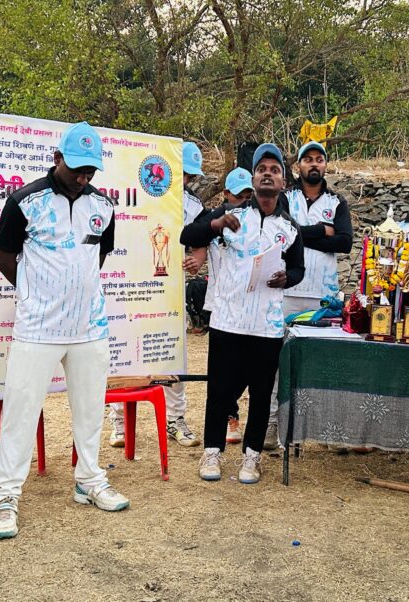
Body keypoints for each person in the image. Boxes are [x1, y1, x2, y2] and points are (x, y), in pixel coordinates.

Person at [0, 122, 129, 540]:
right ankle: (6, 497)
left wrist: (76, 295)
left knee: (89, 409)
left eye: (90, 171)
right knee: (20, 413)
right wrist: (37, 295)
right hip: (37, 328)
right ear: (57, 159)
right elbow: (3, 258)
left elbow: (97, 256)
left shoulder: (102, 205)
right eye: (76, 169)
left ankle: (88, 479)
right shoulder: (23, 202)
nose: (83, 177)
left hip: (89, 327)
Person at [181, 143, 304, 484]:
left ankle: (251, 457)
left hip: (266, 324)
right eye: (262, 168)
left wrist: (286, 278)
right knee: (220, 390)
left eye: (275, 169)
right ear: (253, 179)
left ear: (282, 184)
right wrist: (215, 225)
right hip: (228, 320)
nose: (268, 172)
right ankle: (212, 452)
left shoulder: (290, 228)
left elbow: (298, 270)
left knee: (262, 392)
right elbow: (187, 235)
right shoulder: (232, 215)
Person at [108, 141, 205, 449]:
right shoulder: (132, 193)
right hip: (129, 286)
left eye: (190, 177)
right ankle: (119, 422)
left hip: (168, 291)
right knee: (123, 352)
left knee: (173, 356)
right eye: (183, 174)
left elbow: (200, 243)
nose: (186, 181)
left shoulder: (194, 207)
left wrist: (196, 258)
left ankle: (176, 419)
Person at [267, 141, 353, 449]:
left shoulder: (336, 201)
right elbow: (282, 234)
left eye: (319, 159)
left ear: (325, 166)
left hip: (323, 296)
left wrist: (303, 234)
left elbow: (344, 243)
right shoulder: (285, 197)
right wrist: (321, 230)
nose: (314, 164)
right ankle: (272, 422)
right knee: (277, 361)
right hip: (287, 290)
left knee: (321, 364)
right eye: (308, 159)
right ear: (299, 165)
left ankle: (324, 429)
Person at [181, 167, 255, 445]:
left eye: (249, 195)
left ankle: (228, 405)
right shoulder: (213, 217)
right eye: (238, 196)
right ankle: (228, 416)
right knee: (223, 366)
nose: (244, 202)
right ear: (226, 195)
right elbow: (190, 236)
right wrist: (211, 234)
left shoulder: (260, 218)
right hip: (222, 304)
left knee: (250, 366)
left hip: (252, 304)